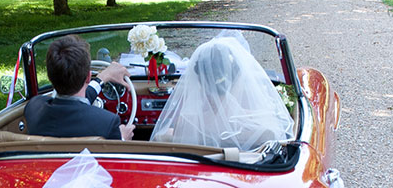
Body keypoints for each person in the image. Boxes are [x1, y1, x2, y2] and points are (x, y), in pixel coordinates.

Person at [150, 36, 293, 151]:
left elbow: (163, 141)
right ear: (238, 79)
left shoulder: (186, 125)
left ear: (199, 82)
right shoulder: (265, 128)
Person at [24, 35, 135, 140]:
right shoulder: (108, 123)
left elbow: (73, 105)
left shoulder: (33, 108)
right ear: (88, 77)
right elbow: (113, 154)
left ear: (49, 76)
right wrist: (122, 138)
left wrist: (101, 79)